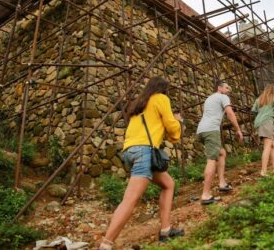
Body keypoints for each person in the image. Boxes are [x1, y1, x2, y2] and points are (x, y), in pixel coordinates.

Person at [98, 77, 184, 250]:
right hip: (145, 152)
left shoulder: (139, 104)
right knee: (130, 199)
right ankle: (106, 244)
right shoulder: (161, 98)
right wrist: (178, 121)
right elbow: (172, 130)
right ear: (163, 89)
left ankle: (165, 230)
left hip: (130, 151)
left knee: (168, 184)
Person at [196, 80, 243, 205]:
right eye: (227, 87)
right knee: (212, 159)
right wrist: (238, 129)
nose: (229, 90)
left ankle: (222, 183)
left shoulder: (209, 99)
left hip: (201, 130)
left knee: (221, 153)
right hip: (211, 130)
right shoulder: (223, 97)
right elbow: (229, 113)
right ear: (219, 88)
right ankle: (205, 194)